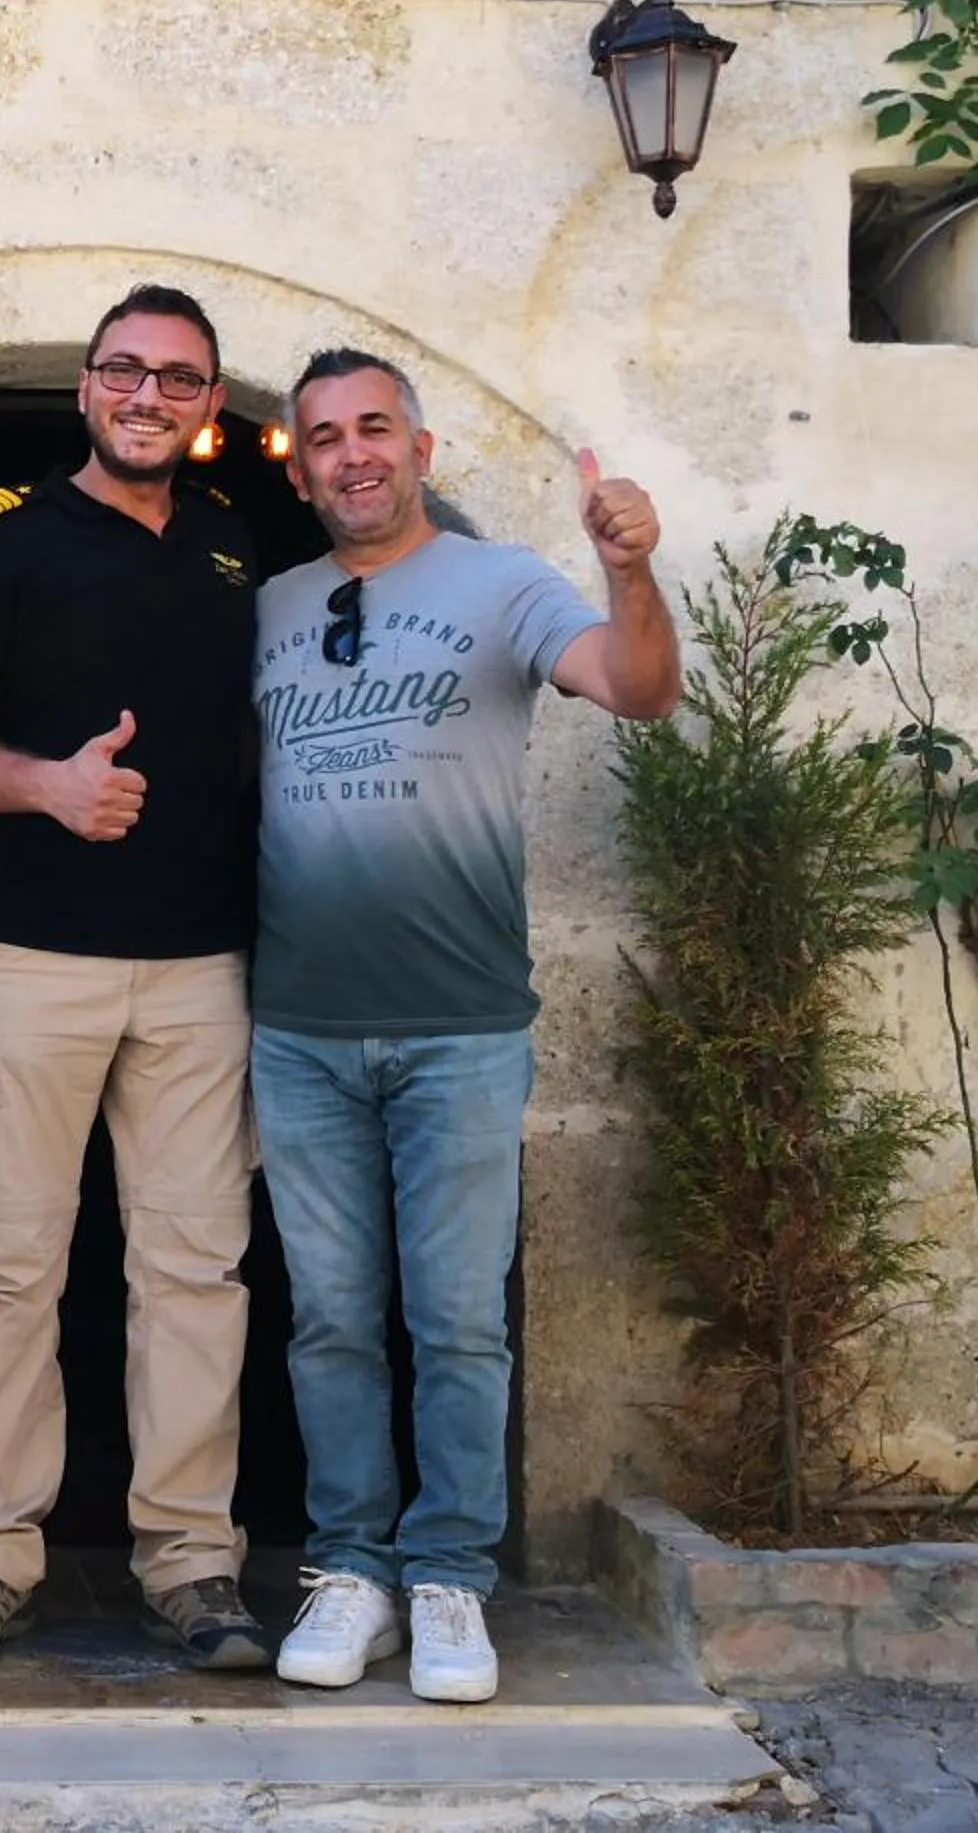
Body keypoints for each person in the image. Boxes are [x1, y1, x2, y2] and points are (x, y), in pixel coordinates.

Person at [251, 348, 680, 1702]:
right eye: (324, 436)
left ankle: (447, 1579)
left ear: (421, 449)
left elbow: (640, 688)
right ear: (301, 463)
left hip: (460, 1028)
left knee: (455, 1322)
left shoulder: (502, 586)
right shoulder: (267, 608)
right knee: (327, 1319)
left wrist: (627, 571)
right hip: (300, 1029)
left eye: (375, 427)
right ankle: (351, 1573)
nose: (351, 452)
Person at [0, 283, 269, 1672]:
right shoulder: (3, 538)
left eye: (180, 379)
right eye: (126, 371)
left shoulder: (237, 550)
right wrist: (52, 787)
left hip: (200, 971)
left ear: (209, 403)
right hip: (32, 963)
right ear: (85, 389)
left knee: (196, 1272)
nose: (149, 397)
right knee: (11, 1268)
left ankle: (193, 1561)